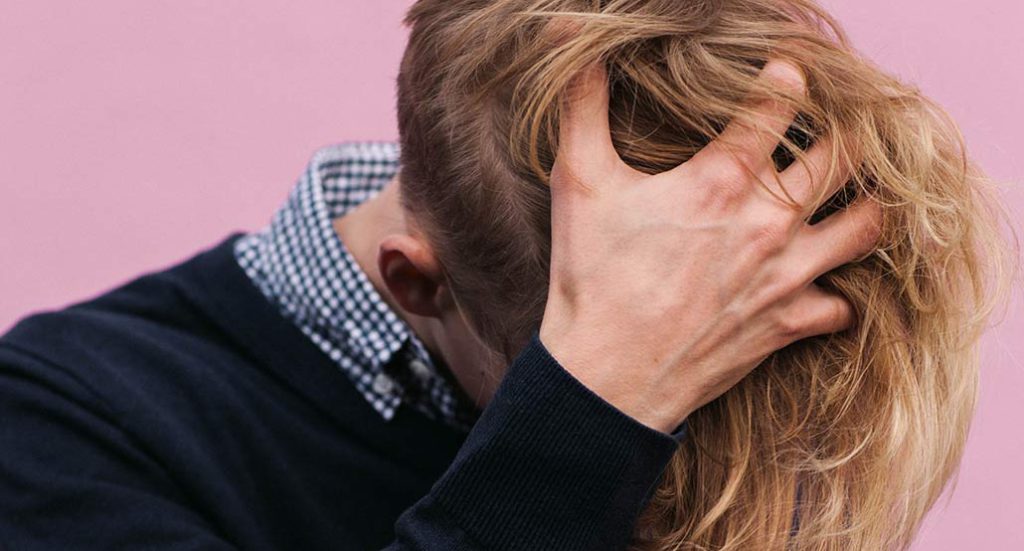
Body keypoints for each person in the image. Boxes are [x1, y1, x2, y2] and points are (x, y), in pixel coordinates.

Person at [0, 1, 1011, 550]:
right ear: (416, 285)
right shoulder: (58, 430)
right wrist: (593, 407)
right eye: (662, 364)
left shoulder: (769, 329)